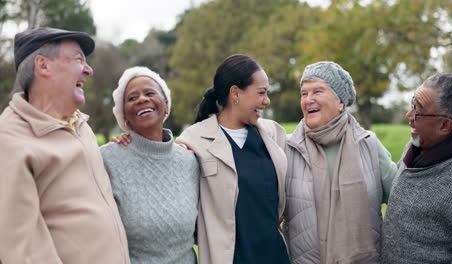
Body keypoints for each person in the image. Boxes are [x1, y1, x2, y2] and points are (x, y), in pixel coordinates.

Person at [0, 27, 129, 263]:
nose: (89, 70)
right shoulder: (8, 140)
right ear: (43, 66)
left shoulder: (81, 125)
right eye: (79, 59)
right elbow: (21, 252)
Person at [176, 54, 290, 264]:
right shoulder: (193, 141)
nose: (267, 101)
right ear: (235, 93)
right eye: (261, 93)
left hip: (275, 256)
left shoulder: (274, 134)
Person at [283, 61, 397, 263]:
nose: (308, 100)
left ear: (341, 101)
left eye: (317, 91)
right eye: (304, 93)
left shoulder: (369, 144)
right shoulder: (287, 148)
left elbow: (403, 202)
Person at [100, 66, 199, 264]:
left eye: (150, 93)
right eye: (131, 98)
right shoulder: (105, 160)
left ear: (166, 105)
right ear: (124, 116)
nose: (142, 99)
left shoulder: (190, 161)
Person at [382, 73, 452, 263]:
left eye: (418, 111)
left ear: (445, 125)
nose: (408, 115)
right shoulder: (414, 147)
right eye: (412, 105)